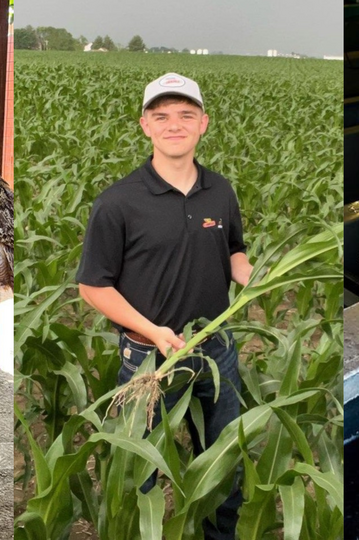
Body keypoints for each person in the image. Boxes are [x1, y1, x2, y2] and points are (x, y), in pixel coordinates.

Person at [76, 72, 253, 539]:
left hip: (215, 349)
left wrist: (251, 275)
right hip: (149, 359)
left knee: (223, 459)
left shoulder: (220, 190)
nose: (175, 125)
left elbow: (234, 250)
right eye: (162, 117)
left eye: (186, 115)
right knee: (139, 471)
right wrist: (154, 332)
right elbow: (93, 287)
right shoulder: (117, 203)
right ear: (145, 126)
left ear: (203, 123)